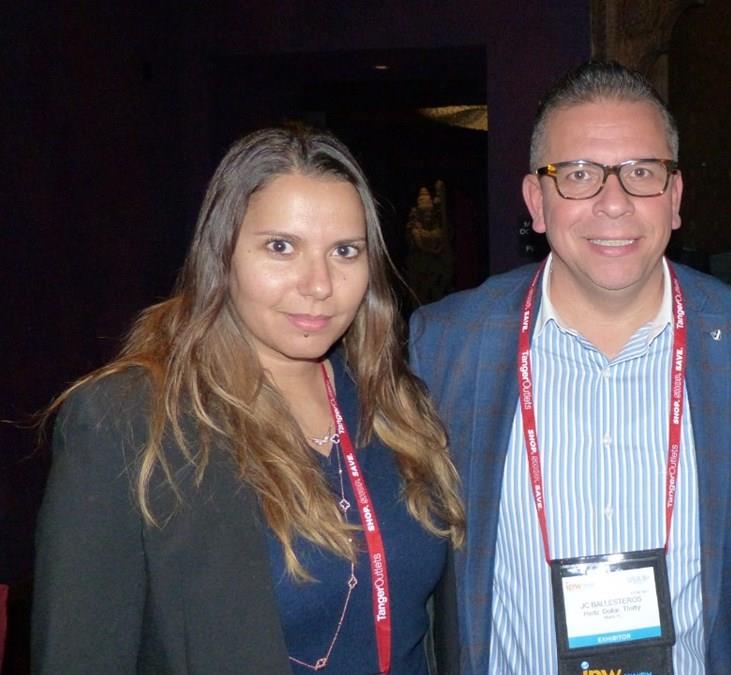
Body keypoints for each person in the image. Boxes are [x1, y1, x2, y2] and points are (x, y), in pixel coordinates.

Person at [409, 61, 731, 674]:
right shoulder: (446, 345)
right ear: (536, 202)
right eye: (579, 175)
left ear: (674, 198)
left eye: (641, 172)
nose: (613, 204)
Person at [33, 126, 464, 674]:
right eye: (281, 247)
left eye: (345, 251)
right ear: (221, 255)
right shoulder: (129, 421)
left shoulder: (397, 407)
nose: (319, 284)